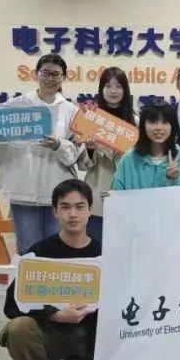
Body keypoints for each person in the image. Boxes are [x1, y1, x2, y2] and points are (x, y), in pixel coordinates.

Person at [0, 179, 102, 360]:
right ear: (55, 211)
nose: (73, 214)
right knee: (17, 329)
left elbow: (110, 314)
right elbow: (12, 305)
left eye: (80, 206)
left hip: (88, 337)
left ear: (90, 210)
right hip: (50, 334)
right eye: (65, 207)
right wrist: (55, 314)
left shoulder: (102, 254)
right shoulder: (39, 253)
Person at [0, 54, 82, 254]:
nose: (50, 78)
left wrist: (58, 145)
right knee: (29, 252)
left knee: (59, 253)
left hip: (59, 195)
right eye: (45, 73)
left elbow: (76, 152)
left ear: (63, 77)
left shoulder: (72, 112)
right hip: (23, 192)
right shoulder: (14, 107)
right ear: (36, 74)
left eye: (56, 74)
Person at [76, 67, 136, 241]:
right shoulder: (90, 119)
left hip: (126, 196)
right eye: (108, 85)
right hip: (97, 194)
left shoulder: (135, 123)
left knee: (124, 249)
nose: (113, 91)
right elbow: (83, 165)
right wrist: (90, 149)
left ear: (125, 90)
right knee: (96, 248)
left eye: (118, 86)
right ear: (101, 89)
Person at [112, 101, 180, 190]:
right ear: (143, 125)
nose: (159, 128)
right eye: (153, 122)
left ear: (173, 126)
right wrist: (109, 195)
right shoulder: (129, 158)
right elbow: (116, 191)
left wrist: (174, 179)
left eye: (165, 122)